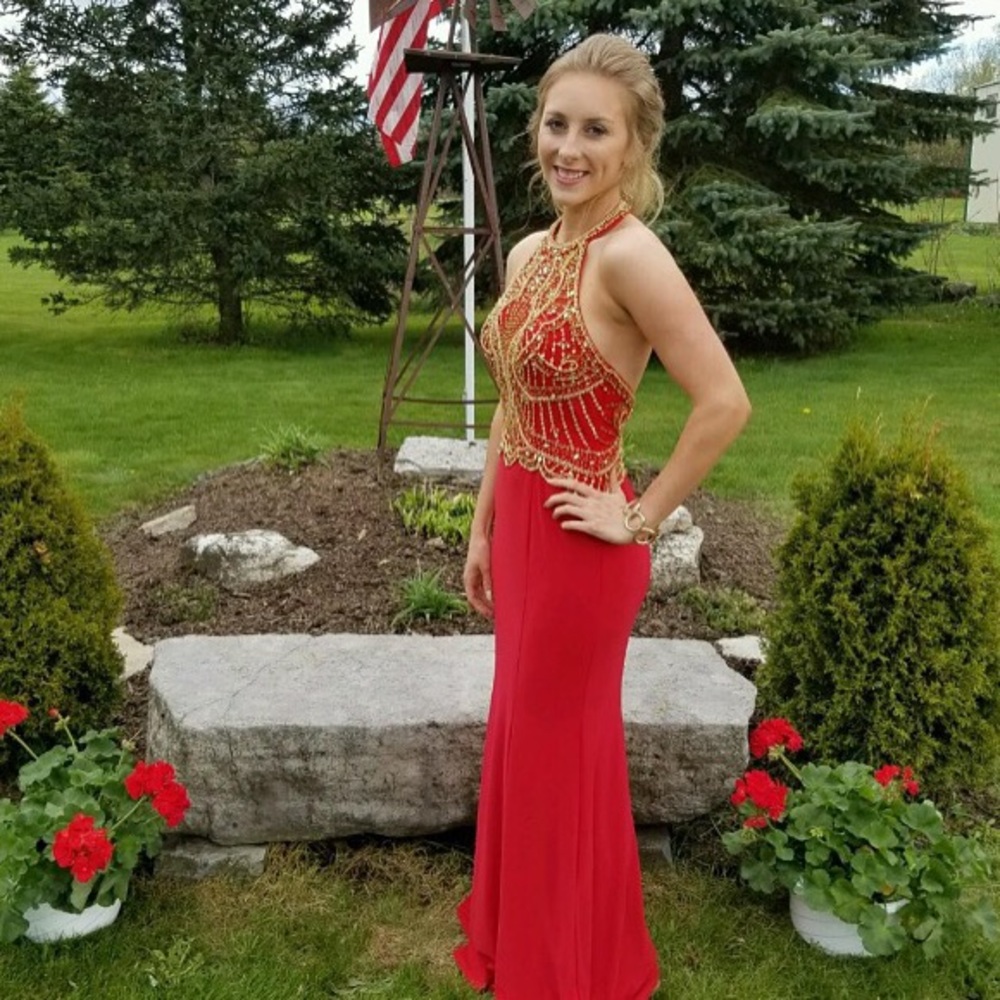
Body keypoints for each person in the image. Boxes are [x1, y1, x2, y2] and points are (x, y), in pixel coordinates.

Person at [453, 33, 751, 999]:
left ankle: (561, 973)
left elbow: (724, 403)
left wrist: (644, 516)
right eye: (555, 124)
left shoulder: (634, 258)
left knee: (554, 762)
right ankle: (543, 949)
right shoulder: (539, 246)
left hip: (588, 542)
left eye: (595, 131)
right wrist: (484, 524)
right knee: (529, 750)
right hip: (528, 533)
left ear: (633, 147)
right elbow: (512, 401)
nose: (568, 148)